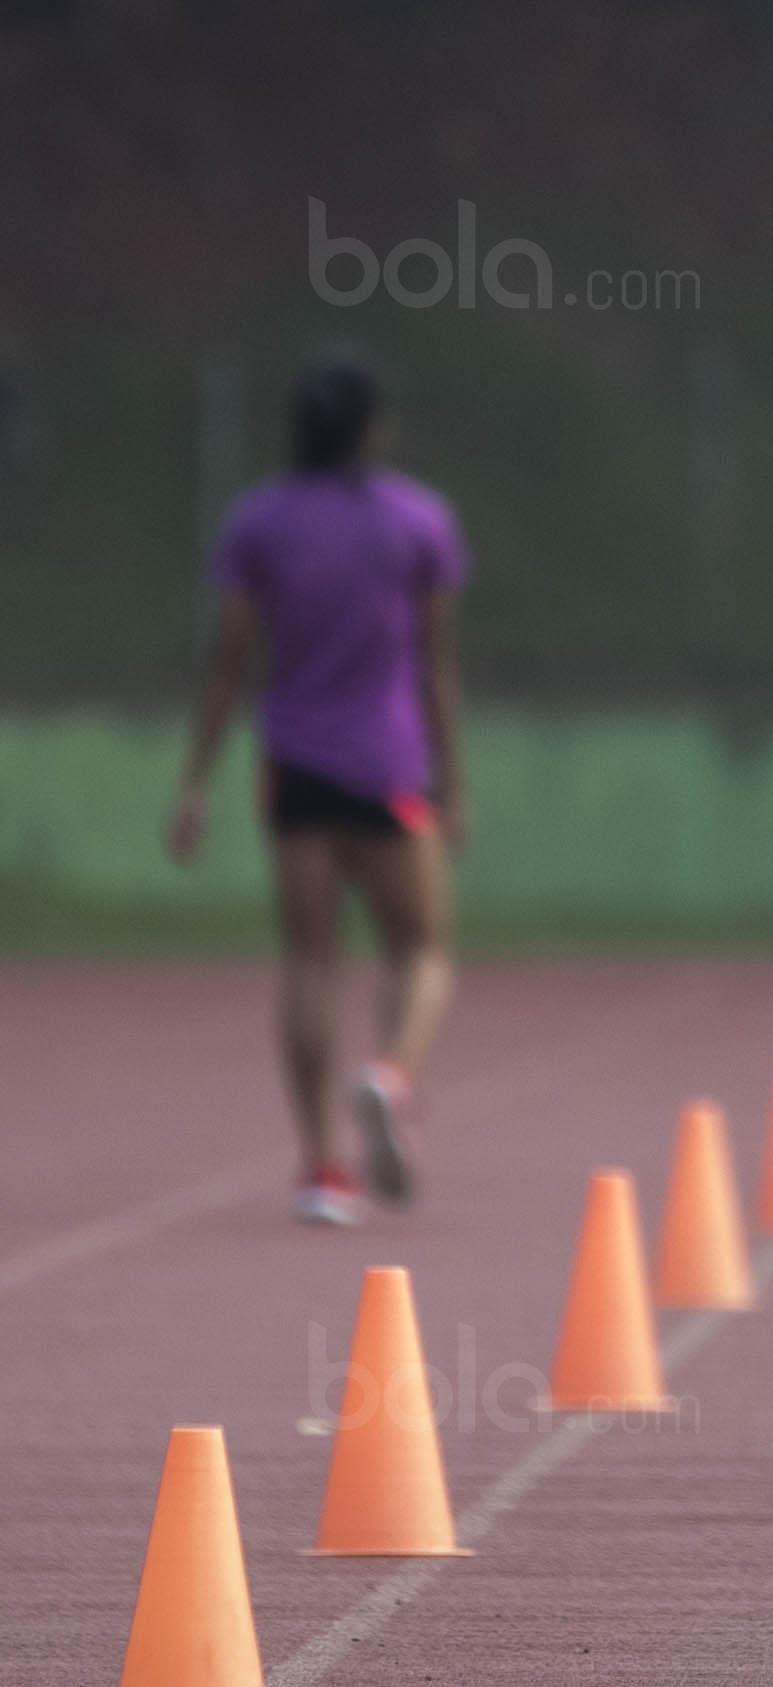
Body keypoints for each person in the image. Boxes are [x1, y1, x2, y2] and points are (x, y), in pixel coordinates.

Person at [167, 360, 470, 1227]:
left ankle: (320, 1167)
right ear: (373, 429)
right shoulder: (419, 520)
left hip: (294, 766)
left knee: (308, 960)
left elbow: (228, 666)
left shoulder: (257, 521)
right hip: (388, 766)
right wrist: (454, 780)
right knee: (424, 951)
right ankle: (390, 1073)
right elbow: (435, 670)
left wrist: (194, 784)